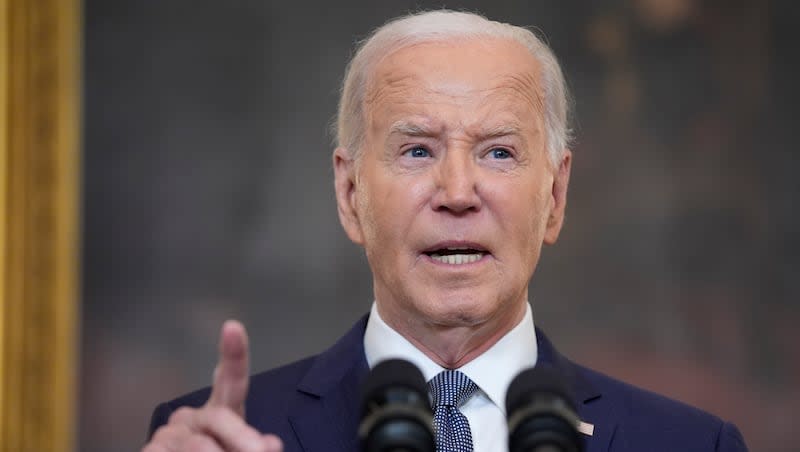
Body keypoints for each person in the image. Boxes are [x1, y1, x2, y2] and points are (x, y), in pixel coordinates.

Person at [142, 10, 747, 452]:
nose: (458, 193)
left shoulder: (689, 443)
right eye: (416, 150)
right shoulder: (219, 436)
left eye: (499, 153)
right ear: (350, 195)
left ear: (555, 196)